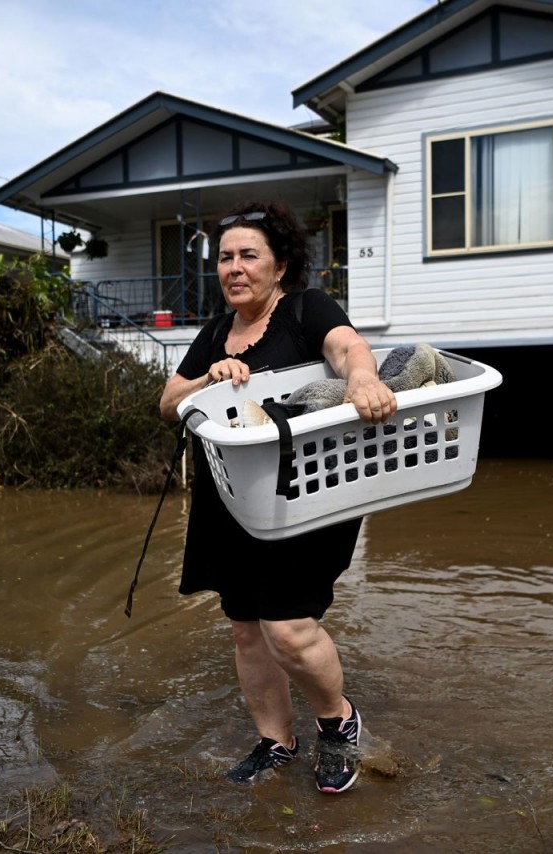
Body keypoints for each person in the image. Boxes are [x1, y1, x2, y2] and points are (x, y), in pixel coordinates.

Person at [158, 199, 397, 794]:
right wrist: (206, 377)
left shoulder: (304, 310)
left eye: (248, 255)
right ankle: (277, 741)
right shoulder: (216, 332)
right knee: (245, 627)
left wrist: (363, 378)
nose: (234, 268)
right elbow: (168, 402)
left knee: (287, 625)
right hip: (230, 491)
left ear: (280, 265)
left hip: (303, 489)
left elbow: (346, 348)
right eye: (225, 258)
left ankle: (338, 723)